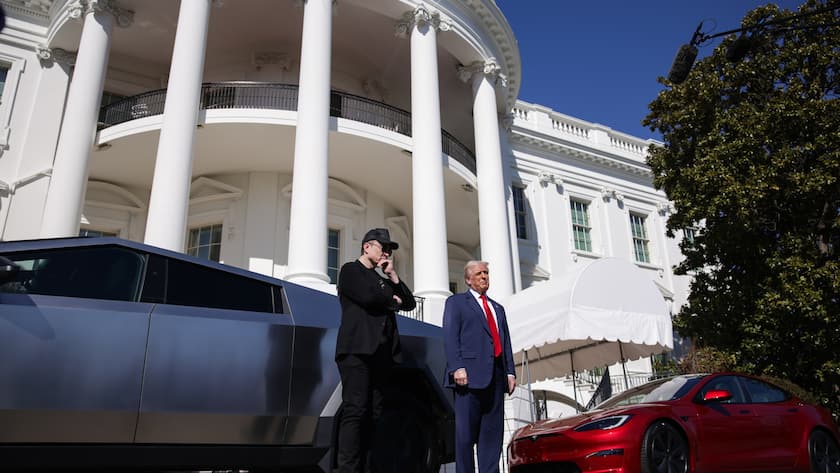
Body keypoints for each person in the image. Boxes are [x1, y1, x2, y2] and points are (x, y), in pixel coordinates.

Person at [334, 228, 416, 473]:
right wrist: (392, 301)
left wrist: (392, 275)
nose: (386, 253)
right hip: (357, 351)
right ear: (367, 247)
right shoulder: (351, 270)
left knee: (375, 414)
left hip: (382, 356)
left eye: (389, 250)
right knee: (355, 410)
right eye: (383, 247)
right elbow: (369, 297)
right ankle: (347, 469)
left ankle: (368, 468)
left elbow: (409, 303)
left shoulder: (383, 279)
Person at [443, 260, 516, 473]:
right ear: (468, 279)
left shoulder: (498, 308)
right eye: (478, 274)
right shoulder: (456, 303)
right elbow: (450, 336)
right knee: (465, 437)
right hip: (468, 377)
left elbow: (505, 342)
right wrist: (456, 366)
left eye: (486, 273)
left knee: (492, 437)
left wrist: (510, 371)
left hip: (496, 377)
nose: (484, 277)